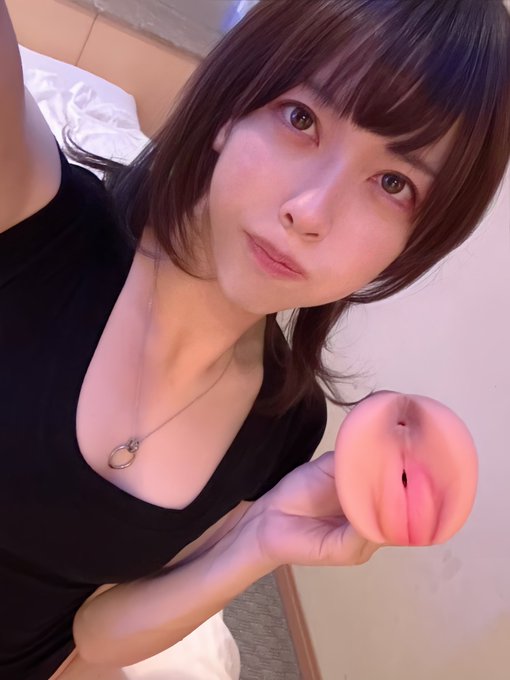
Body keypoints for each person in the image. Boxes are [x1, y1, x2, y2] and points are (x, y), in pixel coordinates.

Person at [1, 0, 509, 678]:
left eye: (393, 183)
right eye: (301, 118)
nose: (310, 211)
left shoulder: (282, 427)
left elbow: (92, 634)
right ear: (230, 111)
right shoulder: (30, 212)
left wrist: (261, 539)